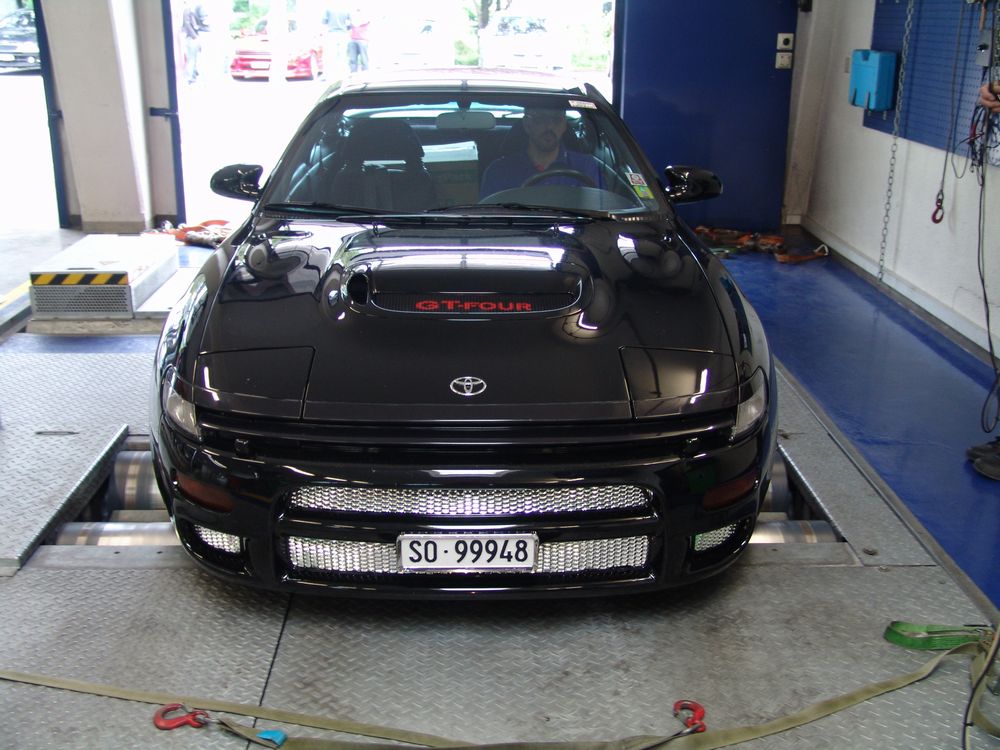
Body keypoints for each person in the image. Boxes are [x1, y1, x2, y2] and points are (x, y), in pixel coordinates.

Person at [480, 106, 604, 197]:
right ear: (527, 125)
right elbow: (490, 220)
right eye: (540, 119)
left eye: (556, 120)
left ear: (564, 125)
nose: (549, 127)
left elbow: (598, 214)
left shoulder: (586, 166)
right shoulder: (499, 171)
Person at [181, 2, 208, 84]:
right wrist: (194, 36)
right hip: (191, 37)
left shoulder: (192, 8)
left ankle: (193, 76)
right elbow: (187, 24)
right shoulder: (188, 9)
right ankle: (189, 77)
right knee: (191, 58)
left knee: (194, 57)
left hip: (194, 36)